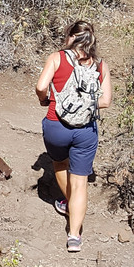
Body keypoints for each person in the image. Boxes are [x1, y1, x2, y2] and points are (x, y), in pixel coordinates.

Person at [34, 20, 113, 253]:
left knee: (59, 162)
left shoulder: (57, 58)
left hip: (57, 125)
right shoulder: (100, 65)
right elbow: (106, 101)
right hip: (86, 131)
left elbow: (41, 86)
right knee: (80, 182)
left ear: (70, 37)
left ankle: (70, 205)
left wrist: (46, 100)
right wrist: (84, 105)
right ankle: (74, 236)